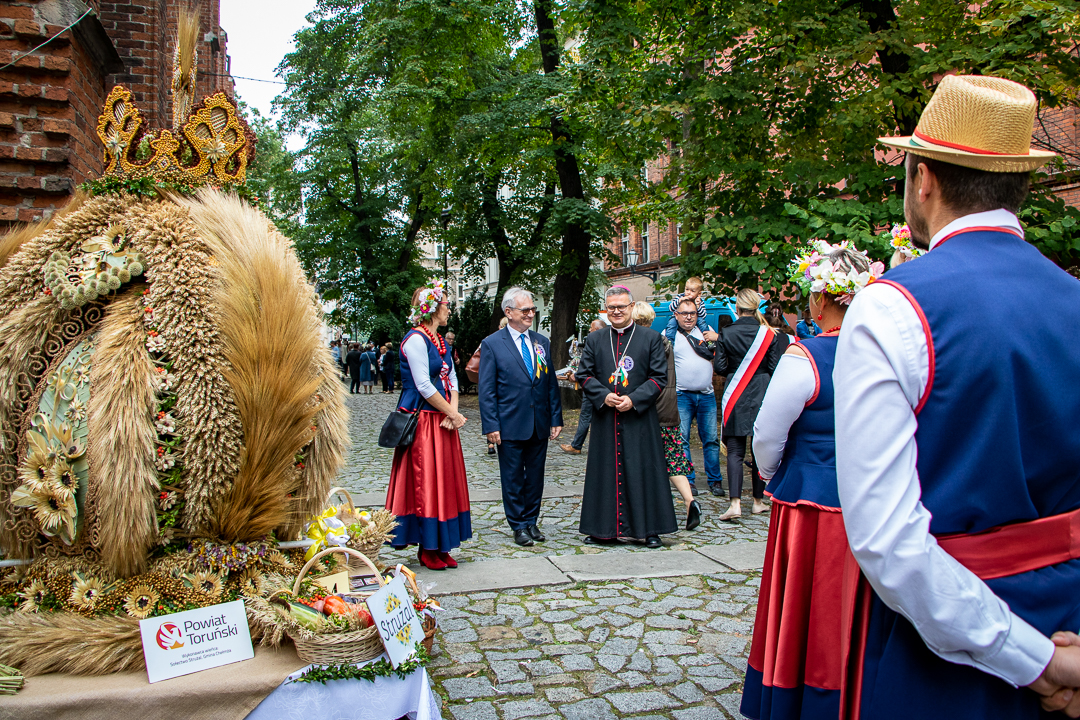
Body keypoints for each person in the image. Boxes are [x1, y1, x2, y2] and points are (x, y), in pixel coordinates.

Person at [834, 74, 1080, 719]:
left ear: (924, 180)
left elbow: (888, 540)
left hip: (955, 640)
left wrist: (1034, 661)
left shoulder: (893, 305)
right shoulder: (1075, 299)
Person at [740, 240, 882, 720]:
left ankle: (803, 694)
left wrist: (770, 473)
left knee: (811, 606)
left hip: (812, 505)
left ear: (819, 300)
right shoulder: (886, 352)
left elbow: (767, 433)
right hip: (876, 499)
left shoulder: (806, 357)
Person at [576, 285, 677, 549]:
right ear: (606, 309)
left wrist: (634, 399)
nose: (617, 311)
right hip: (606, 418)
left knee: (644, 470)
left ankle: (650, 529)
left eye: (622, 306)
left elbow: (658, 378)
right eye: (612, 307)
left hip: (639, 418)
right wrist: (603, 395)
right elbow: (583, 374)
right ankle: (602, 529)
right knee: (605, 472)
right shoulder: (596, 339)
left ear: (632, 307)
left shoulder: (651, 338)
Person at [385, 281, 471, 571]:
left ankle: (442, 544)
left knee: (444, 482)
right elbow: (423, 384)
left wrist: (454, 412)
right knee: (426, 484)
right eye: (446, 304)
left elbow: (452, 379)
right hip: (423, 422)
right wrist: (452, 413)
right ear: (433, 309)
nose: (449, 309)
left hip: (442, 420)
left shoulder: (440, 341)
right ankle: (427, 548)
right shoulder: (415, 340)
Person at [478, 287, 563, 547]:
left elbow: (549, 383)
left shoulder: (541, 342)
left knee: (536, 475)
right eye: (525, 310)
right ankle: (517, 525)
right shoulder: (492, 344)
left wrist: (555, 417)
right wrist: (491, 425)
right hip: (509, 422)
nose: (530, 314)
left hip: (539, 422)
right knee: (513, 476)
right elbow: (487, 388)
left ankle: (531, 520)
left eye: (532, 310)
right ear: (508, 312)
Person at [712, 289, 782, 521]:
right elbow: (774, 367)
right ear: (756, 307)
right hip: (761, 390)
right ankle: (758, 501)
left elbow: (720, 368)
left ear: (738, 307)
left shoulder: (727, 332)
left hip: (735, 391)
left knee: (735, 449)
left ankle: (734, 504)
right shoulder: (768, 334)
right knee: (757, 448)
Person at [634, 301, 701, 530]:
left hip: (651, 409)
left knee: (644, 460)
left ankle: (648, 509)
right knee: (673, 460)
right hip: (669, 407)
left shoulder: (643, 342)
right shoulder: (664, 341)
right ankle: (690, 500)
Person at [671, 297, 724, 497]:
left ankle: (715, 481)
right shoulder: (670, 335)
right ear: (676, 315)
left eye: (692, 313)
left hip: (707, 395)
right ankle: (688, 481)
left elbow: (718, 350)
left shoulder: (705, 331)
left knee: (710, 439)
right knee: (682, 439)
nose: (688, 317)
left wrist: (717, 338)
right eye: (684, 313)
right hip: (682, 395)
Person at [560, 318, 609, 455]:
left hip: (592, 385)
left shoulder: (594, 343)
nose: (589, 331)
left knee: (585, 416)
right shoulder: (610, 342)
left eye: (591, 329)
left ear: (598, 330)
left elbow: (589, 365)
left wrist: (577, 375)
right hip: (604, 386)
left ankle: (576, 445)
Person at [663, 276, 711, 341]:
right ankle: (669, 342)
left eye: (692, 291)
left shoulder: (699, 301)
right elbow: (670, 308)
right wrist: (679, 301)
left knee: (702, 323)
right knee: (671, 324)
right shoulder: (680, 296)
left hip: (696, 319)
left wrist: (698, 306)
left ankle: (709, 340)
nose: (688, 292)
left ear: (699, 293)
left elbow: (703, 315)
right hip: (676, 318)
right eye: (687, 289)